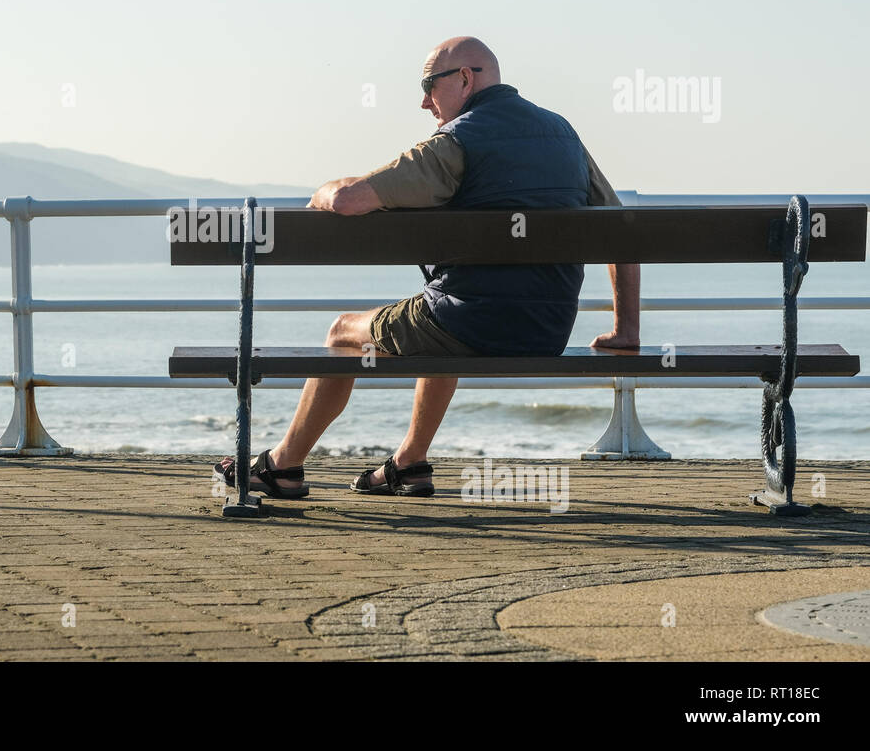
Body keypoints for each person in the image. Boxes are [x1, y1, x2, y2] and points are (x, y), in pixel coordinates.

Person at [216, 36, 640, 498]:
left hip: (472, 323)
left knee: (343, 333)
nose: (423, 101)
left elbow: (348, 200)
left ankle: (283, 466)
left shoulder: (457, 141)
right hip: (547, 330)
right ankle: (409, 462)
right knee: (443, 309)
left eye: (427, 85)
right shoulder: (563, 135)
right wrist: (626, 329)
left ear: (464, 78)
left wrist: (323, 192)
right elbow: (620, 233)